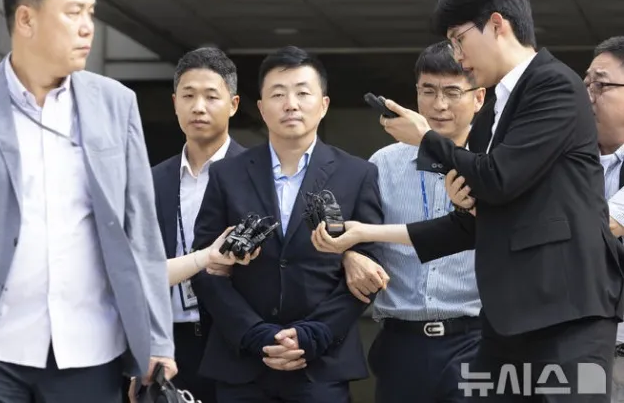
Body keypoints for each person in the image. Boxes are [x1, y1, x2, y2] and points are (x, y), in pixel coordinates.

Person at [320, 0, 623, 403]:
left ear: (497, 25)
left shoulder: (554, 84)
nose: (459, 56)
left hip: (567, 311)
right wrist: (364, 232)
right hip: (508, 320)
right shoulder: (496, 106)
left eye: (459, 40)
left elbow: (497, 178)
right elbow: (470, 222)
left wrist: (426, 139)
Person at [0, 0, 177, 401]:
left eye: (91, 13)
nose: (87, 27)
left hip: (90, 349)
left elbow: (140, 232)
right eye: (73, 12)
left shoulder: (116, 104)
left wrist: (158, 338)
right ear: (26, 18)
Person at [189, 46, 385, 403]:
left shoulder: (358, 174)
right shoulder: (226, 174)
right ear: (262, 108)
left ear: (323, 105)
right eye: (278, 94)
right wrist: (253, 333)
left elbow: (369, 267)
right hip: (242, 363)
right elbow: (205, 265)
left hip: (321, 364)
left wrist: (314, 333)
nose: (290, 104)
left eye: (302, 93)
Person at [322, 40, 485, 403]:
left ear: (478, 98)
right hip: (401, 342)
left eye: (452, 92)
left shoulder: (493, 163)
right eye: (428, 91)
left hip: (477, 339)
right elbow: (357, 239)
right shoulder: (384, 163)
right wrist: (350, 255)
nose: (439, 105)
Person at [150, 47, 248, 403]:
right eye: (188, 96)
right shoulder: (151, 180)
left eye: (211, 96)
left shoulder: (257, 174)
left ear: (233, 104)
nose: (198, 107)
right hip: (168, 344)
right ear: (175, 103)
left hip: (235, 341)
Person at [581, 36, 624, 402]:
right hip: (581, 351)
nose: (588, 95)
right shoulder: (568, 161)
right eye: (585, 84)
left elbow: (601, 227)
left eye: (601, 85)